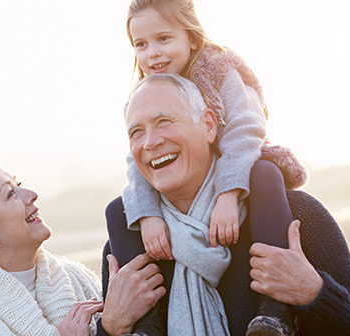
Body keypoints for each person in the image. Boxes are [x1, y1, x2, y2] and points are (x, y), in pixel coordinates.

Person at [103, 74, 350, 335]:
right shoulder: (128, 245)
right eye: (136, 132)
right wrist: (111, 327)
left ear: (208, 125)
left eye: (163, 121)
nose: (150, 142)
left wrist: (314, 292)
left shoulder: (293, 216)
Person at [119, 1, 307, 334]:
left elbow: (245, 129)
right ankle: (147, 324)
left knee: (266, 174)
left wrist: (228, 195)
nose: (153, 54)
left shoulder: (218, 69)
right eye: (141, 44)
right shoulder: (144, 94)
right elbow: (138, 163)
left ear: (191, 38)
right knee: (117, 212)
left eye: (164, 39)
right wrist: (148, 215)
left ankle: (275, 310)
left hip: (240, 164)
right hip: (186, 190)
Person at [0, 155, 166, 335]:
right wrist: (108, 328)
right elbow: (111, 328)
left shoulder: (75, 276)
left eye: (19, 184)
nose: (31, 194)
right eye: (9, 194)